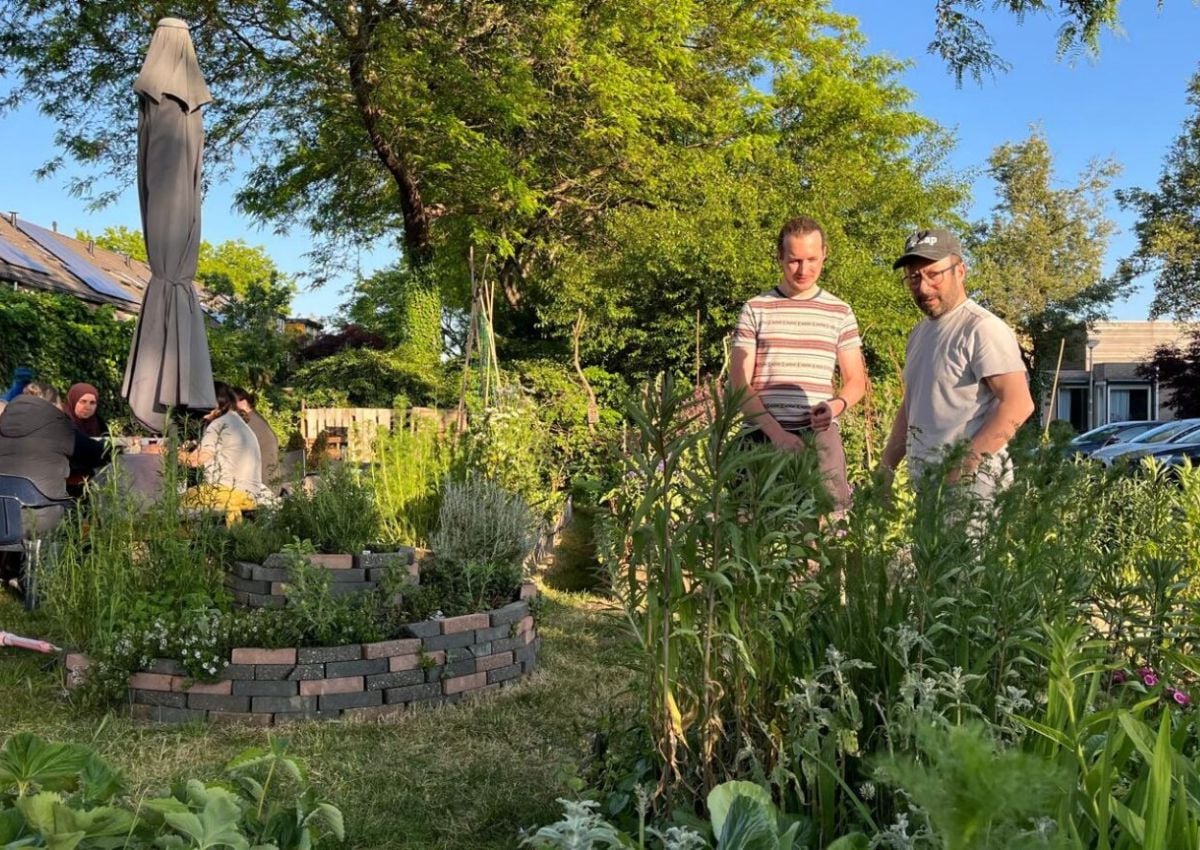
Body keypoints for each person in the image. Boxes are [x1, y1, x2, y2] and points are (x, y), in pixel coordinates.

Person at [880, 228, 1035, 500]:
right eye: (914, 277)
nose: (923, 287)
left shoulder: (982, 328)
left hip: (973, 492)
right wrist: (886, 469)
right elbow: (911, 406)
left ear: (960, 271)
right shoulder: (919, 333)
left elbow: (1019, 404)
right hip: (930, 492)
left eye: (933, 274)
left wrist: (962, 467)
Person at [730, 216, 868, 515]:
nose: (803, 270)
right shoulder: (756, 308)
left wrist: (835, 406)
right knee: (754, 535)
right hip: (761, 437)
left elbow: (856, 380)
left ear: (825, 254)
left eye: (811, 259)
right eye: (794, 261)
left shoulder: (840, 311)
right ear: (780, 257)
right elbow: (739, 383)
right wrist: (777, 434)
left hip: (818, 438)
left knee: (826, 532)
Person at [0, 382, 104, 530]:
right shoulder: (57, 427)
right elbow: (96, 454)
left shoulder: (3, 422)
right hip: (40, 515)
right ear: (52, 405)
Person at [180, 382, 273, 520]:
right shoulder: (235, 421)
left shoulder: (220, 423)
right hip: (249, 495)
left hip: (229, 494)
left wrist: (164, 452)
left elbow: (195, 460)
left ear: (216, 403)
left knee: (177, 505)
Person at [232, 387, 281, 492]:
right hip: (269, 481)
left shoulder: (250, 422)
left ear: (243, 403)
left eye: (231, 404)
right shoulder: (254, 417)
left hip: (264, 485)